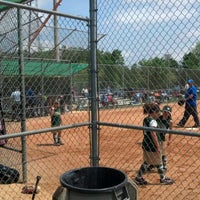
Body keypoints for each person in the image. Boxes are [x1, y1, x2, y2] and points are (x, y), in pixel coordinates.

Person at [135, 103, 174, 185]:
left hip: (146, 143)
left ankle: (138, 177)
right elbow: (154, 134)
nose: (159, 115)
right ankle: (163, 179)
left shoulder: (146, 119)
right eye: (158, 113)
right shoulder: (153, 121)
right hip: (152, 145)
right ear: (154, 112)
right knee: (159, 162)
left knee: (146, 161)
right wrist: (157, 147)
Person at [148, 105, 173, 172]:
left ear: (170, 113)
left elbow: (171, 131)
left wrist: (170, 139)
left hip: (162, 138)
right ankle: (153, 164)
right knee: (155, 152)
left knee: (162, 153)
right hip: (156, 137)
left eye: (167, 112)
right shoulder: (158, 118)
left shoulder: (170, 121)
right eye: (164, 111)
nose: (165, 113)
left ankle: (164, 166)